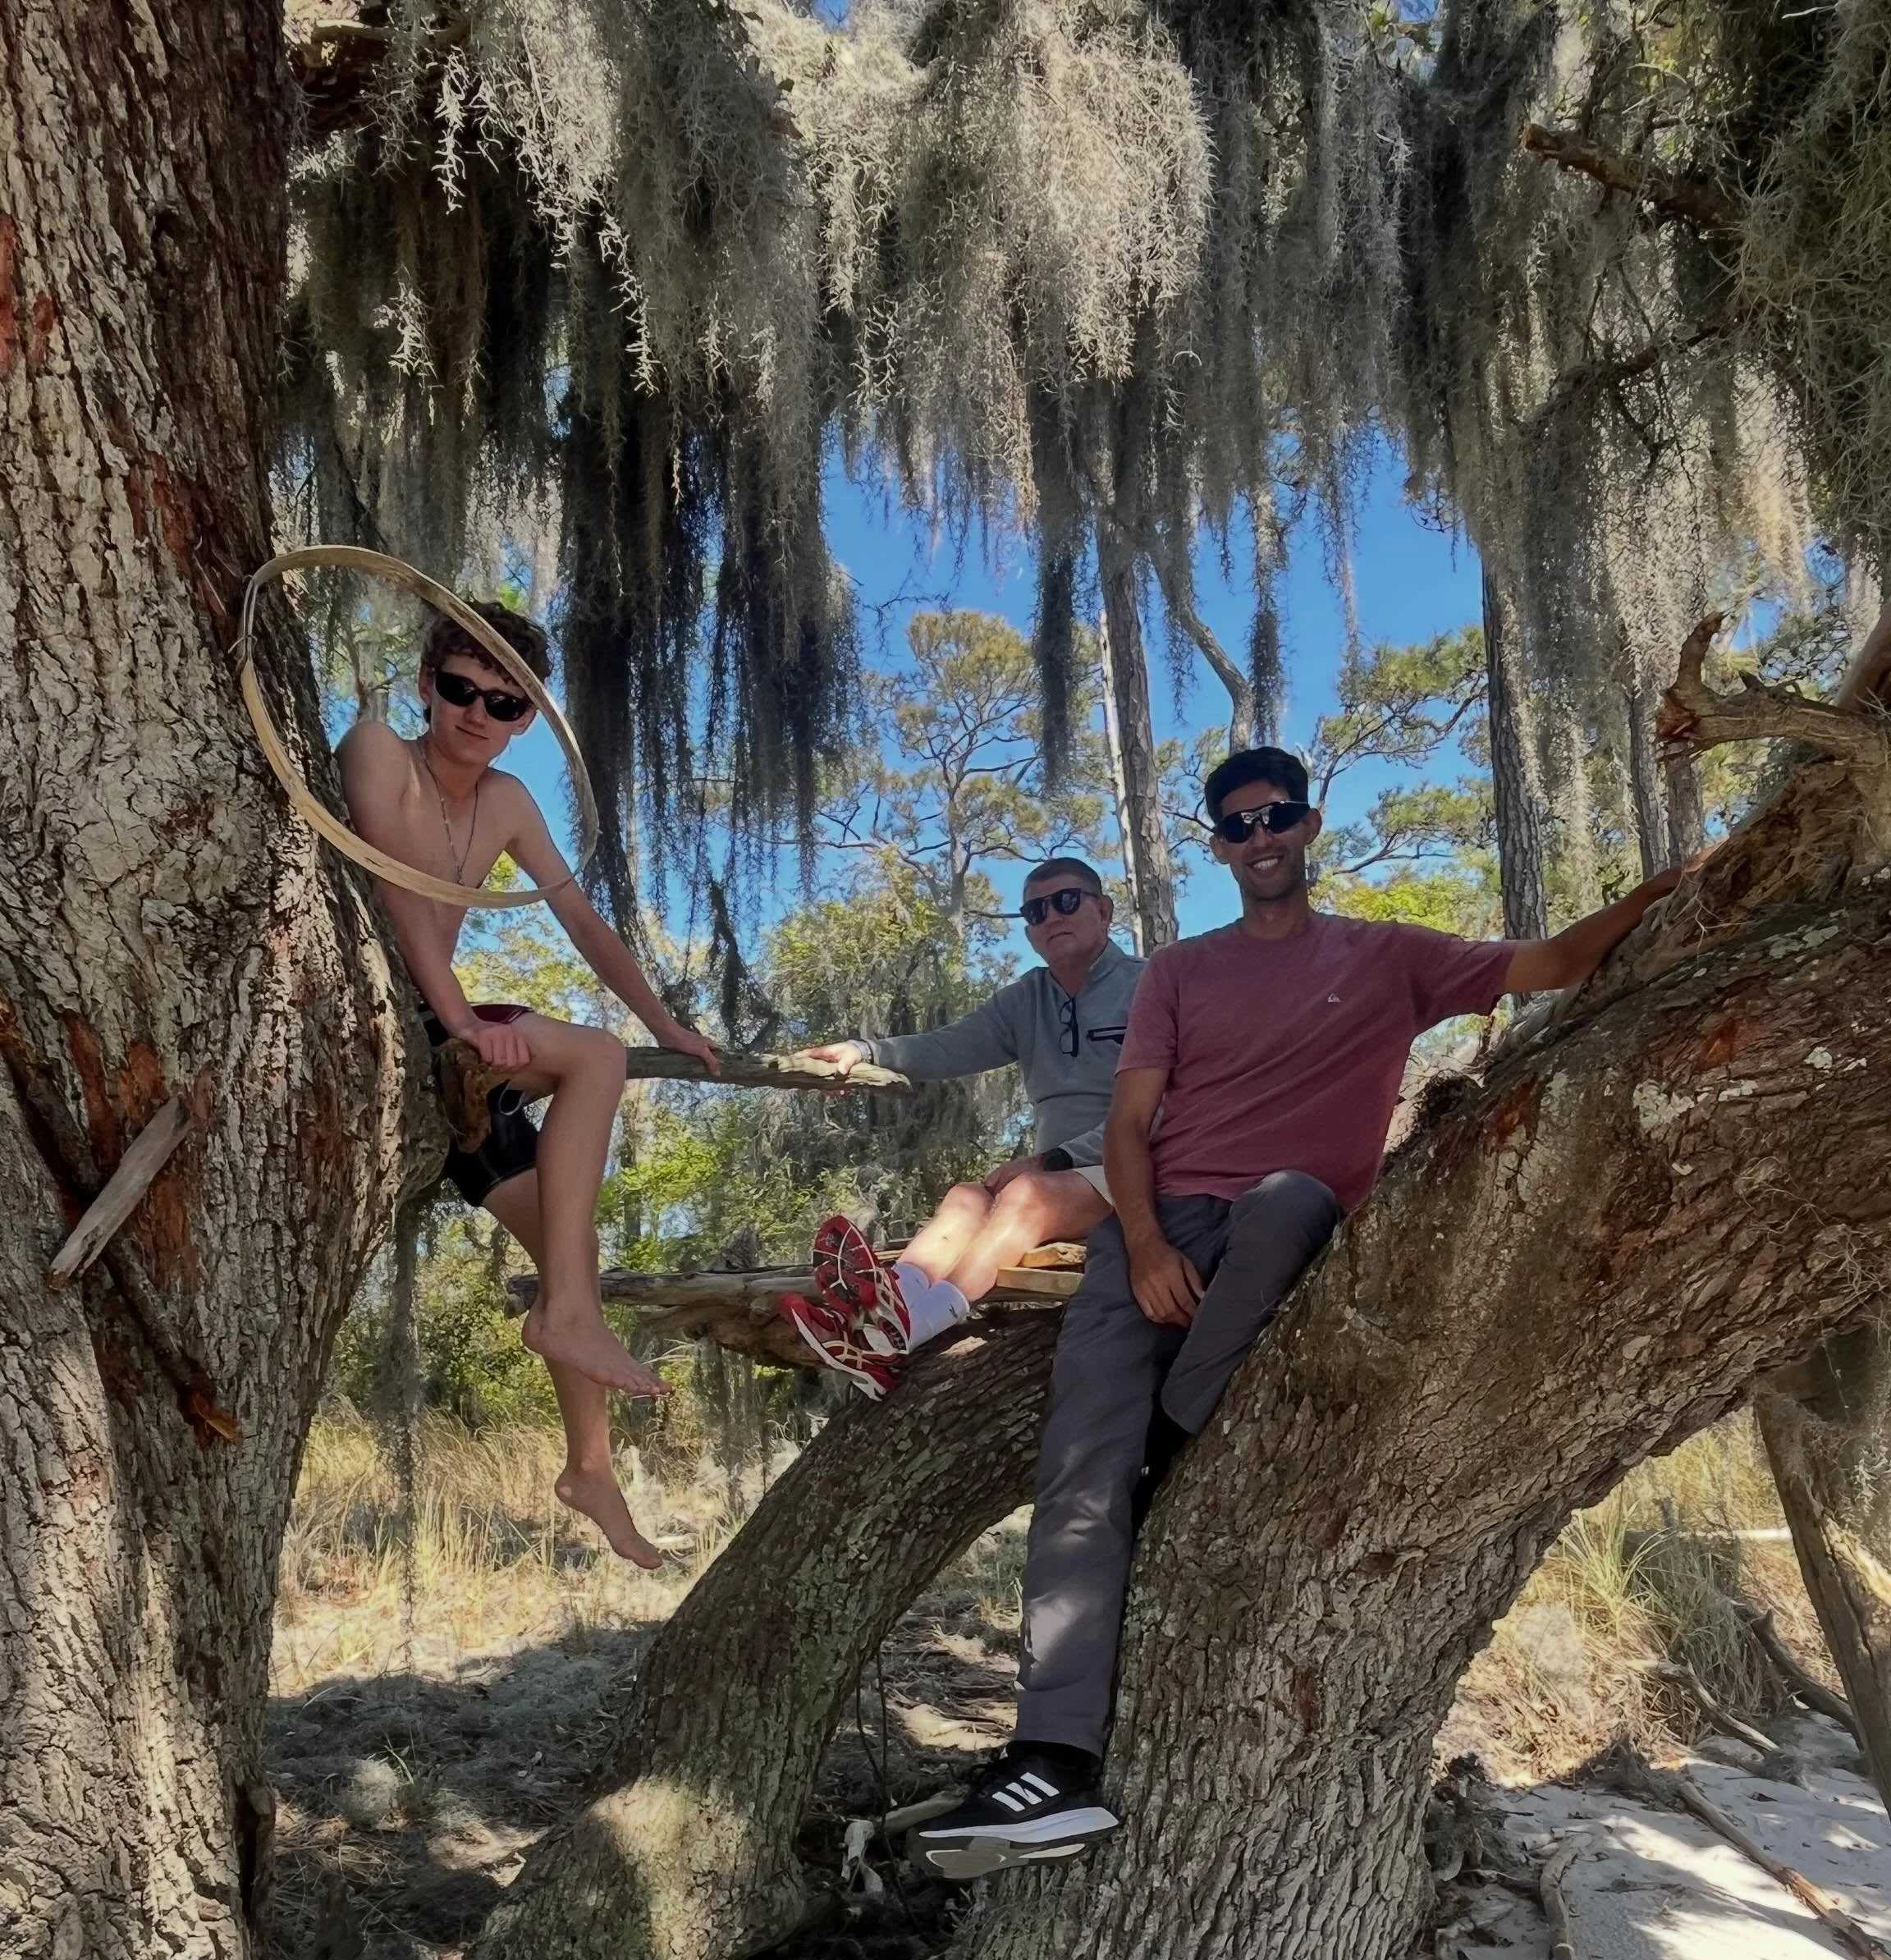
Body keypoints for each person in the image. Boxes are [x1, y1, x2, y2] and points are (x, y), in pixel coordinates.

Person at [910, 744, 1690, 1875]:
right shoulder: (1179, 974)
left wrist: (1664, 891)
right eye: (1236, 825)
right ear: (1218, 847)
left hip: (1287, 1234)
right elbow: (1128, 1128)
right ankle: (1050, 1760)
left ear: (1309, 826)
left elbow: (1554, 961)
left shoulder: (1392, 959)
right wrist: (1141, 1245)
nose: (1259, 836)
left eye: (1276, 816)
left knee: (1287, 1200)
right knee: (1080, 1472)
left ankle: (1176, 1430)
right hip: (1162, 1228)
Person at [338, 601, 720, 1567]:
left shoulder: (507, 800)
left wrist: (665, 1020)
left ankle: (588, 1466)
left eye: (502, 701)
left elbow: (583, 922)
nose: (477, 712)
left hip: (451, 1039)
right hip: (397, 1008)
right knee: (593, 1055)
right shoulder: (380, 747)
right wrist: (464, 1019)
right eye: (461, 689)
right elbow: (394, 886)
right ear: (428, 685)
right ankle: (568, 1319)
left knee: (567, 1231)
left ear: (524, 717)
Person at [782, 859, 1142, 1397]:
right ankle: (889, 1308)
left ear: (1104, 910)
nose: (1052, 917)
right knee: (967, 1196)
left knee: (1023, 1195)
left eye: (1067, 901)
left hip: (1134, 1167)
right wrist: (862, 1052)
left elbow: (1162, 1110)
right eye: (1035, 910)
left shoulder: (1150, 986)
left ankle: (899, 1335)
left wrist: (1052, 1161)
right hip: (1060, 1182)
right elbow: (945, 1046)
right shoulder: (1027, 999)